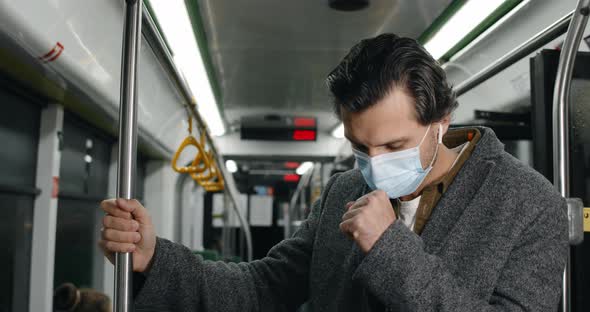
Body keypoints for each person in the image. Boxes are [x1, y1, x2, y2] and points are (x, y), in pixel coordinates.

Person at [99, 34, 567, 311]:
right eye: (360, 146)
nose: (376, 165)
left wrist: (389, 249)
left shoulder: (528, 203)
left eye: (394, 145)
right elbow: (263, 288)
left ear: (440, 121)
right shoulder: (347, 187)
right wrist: (154, 259)